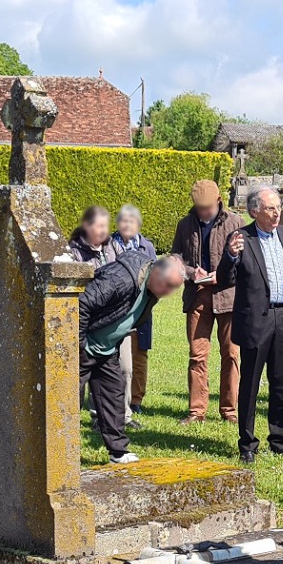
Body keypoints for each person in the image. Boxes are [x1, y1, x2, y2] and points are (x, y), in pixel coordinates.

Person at [218, 188, 283, 463]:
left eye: (278, 207)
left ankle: (278, 440)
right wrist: (230, 256)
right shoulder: (241, 238)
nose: (277, 212)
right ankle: (247, 444)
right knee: (251, 384)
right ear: (254, 211)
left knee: (281, 383)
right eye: (270, 208)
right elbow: (224, 279)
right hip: (256, 319)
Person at [78, 253, 185, 463]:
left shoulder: (152, 290)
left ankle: (118, 452)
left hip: (106, 350)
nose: (168, 293)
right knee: (66, 399)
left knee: (114, 394)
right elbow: (81, 304)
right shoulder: (120, 279)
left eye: (174, 288)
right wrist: (79, 345)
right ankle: (56, 455)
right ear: (155, 272)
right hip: (83, 348)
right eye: (168, 285)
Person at [170, 180, 245, 426]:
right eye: (200, 208)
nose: (204, 212)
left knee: (231, 354)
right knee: (197, 355)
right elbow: (175, 258)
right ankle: (196, 411)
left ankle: (230, 411)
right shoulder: (185, 225)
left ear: (219, 201)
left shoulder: (235, 223)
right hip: (197, 296)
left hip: (229, 296)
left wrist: (221, 273)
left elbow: (245, 262)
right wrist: (191, 272)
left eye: (209, 208)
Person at [111, 205, 156, 425]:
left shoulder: (147, 246)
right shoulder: (109, 245)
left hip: (142, 308)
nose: (127, 225)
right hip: (116, 310)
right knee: (118, 359)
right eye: (123, 221)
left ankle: (136, 399)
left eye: (131, 222)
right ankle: (115, 403)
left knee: (140, 353)